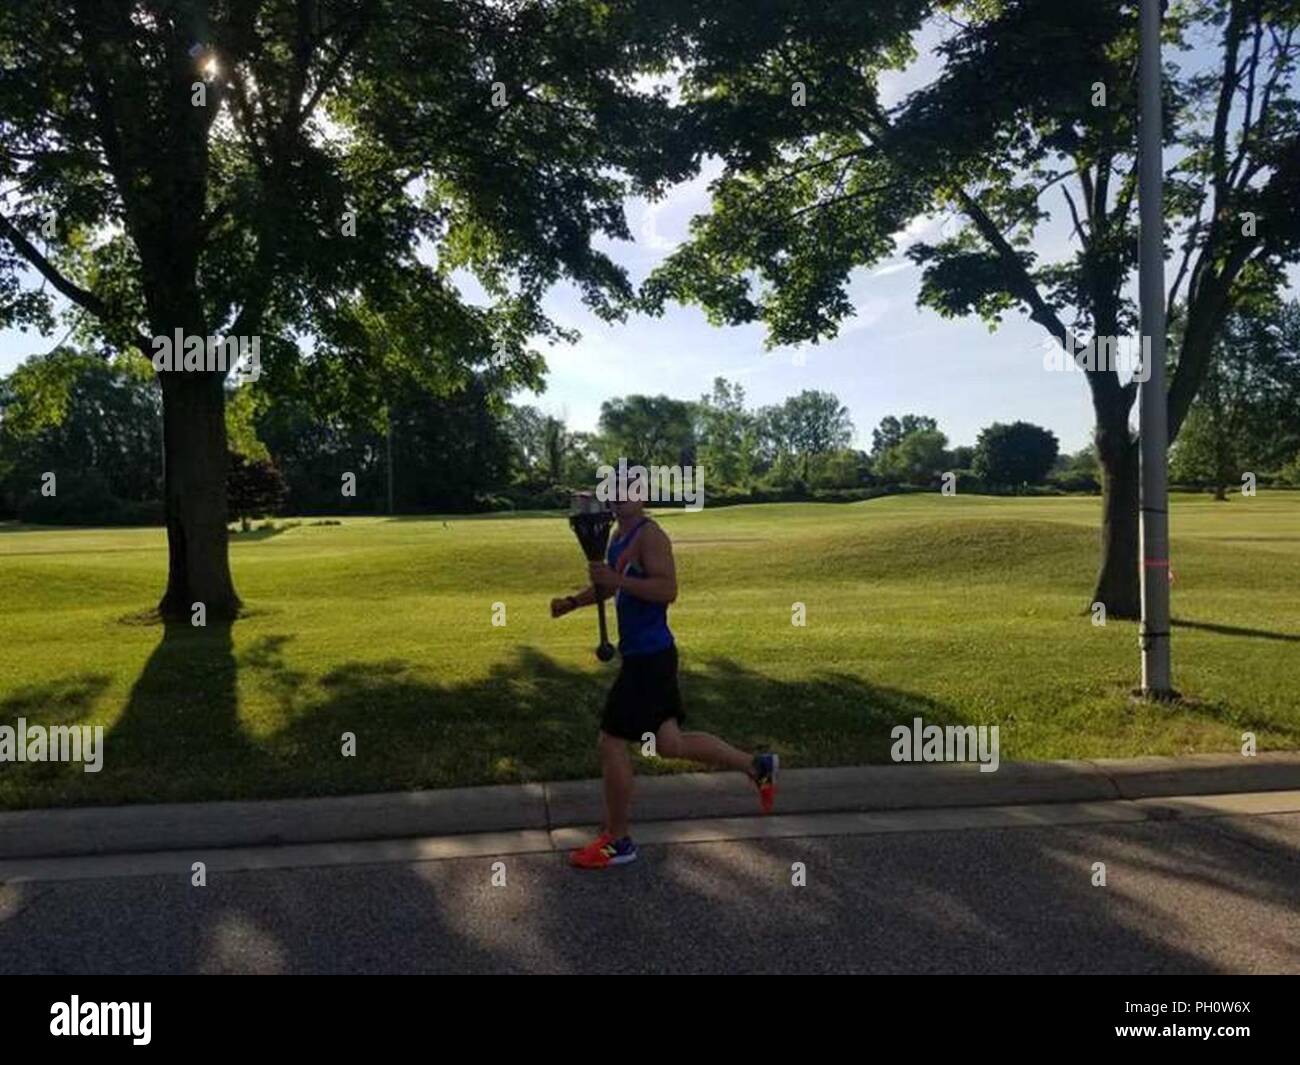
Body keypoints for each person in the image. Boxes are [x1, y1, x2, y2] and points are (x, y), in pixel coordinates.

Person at [551, 491, 778, 869]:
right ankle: (757, 766)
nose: (619, 498)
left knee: (610, 741)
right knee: (669, 744)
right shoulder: (618, 537)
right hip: (645, 656)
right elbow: (609, 584)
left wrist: (618, 582)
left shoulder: (650, 535)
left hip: (650, 659)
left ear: (639, 497)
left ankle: (618, 840)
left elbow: (667, 590)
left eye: (627, 492)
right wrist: (574, 602)